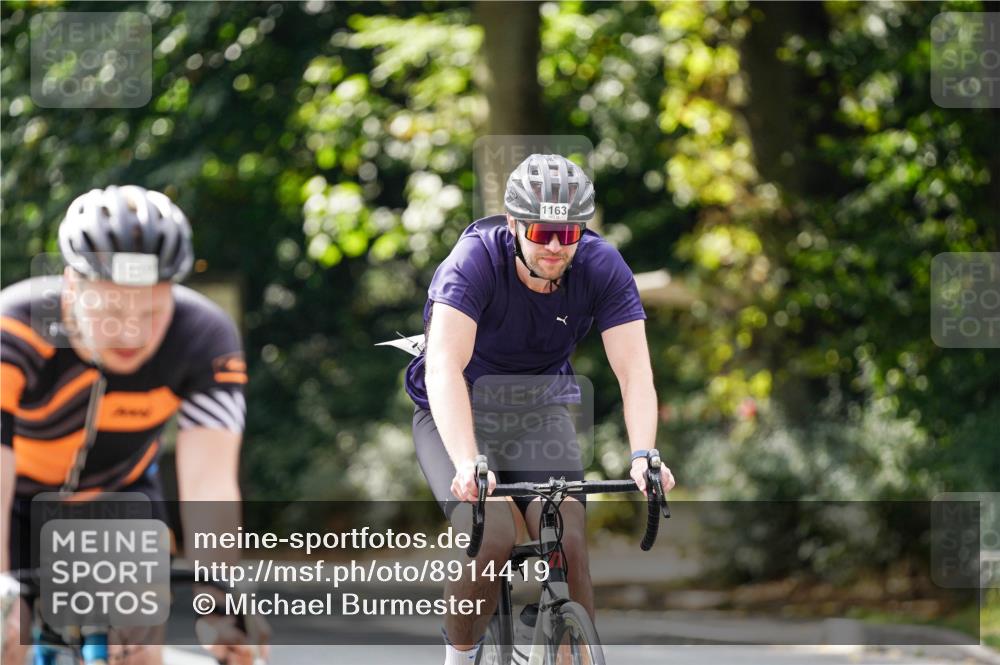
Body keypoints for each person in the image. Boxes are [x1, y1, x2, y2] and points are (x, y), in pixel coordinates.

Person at [404, 154, 676, 665]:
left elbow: (635, 374)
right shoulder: (473, 261)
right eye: (542, 232)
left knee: (569, 543)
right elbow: (442, 368)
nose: (554, 246)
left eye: (567, 234)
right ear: (513, 224)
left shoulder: (601, 267)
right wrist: (466, 462)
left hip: (538, 411)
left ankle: (569, 651)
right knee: (492, 537)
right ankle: (460, 656)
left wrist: (644, 454)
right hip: (459, 409)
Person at [0, 186, 265, 664]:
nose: (132, 332)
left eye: (152, 311)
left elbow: (209, 483)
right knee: (6, 639)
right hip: (14, 501)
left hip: (120, 499)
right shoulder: (14, 329)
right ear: (72, 285)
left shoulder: (204, 336)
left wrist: (221, 601)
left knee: (138, 649)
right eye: (112, 310)